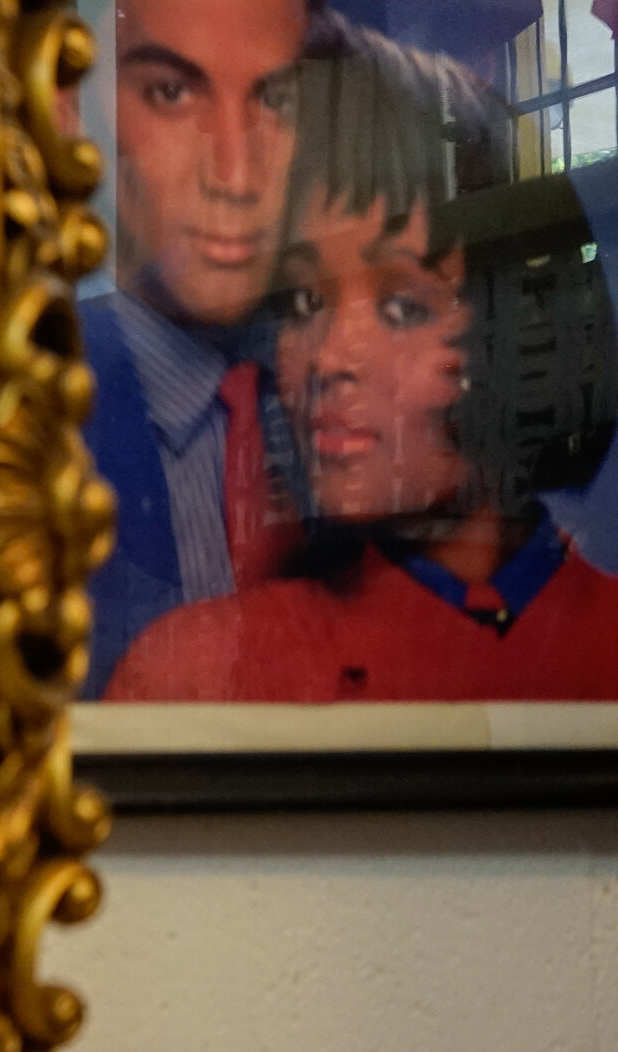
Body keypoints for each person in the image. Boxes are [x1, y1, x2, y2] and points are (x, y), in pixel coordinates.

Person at [107, 36, 618, 701]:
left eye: (404, 306)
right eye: (302, 301)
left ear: (517, 326)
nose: (328, 358)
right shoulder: (194, 674)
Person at [79, 0, 330, 695]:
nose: (234, 169)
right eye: (172, 92)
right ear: (100, 128)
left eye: (274, 99)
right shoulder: (41, 394)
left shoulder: (334, 385)